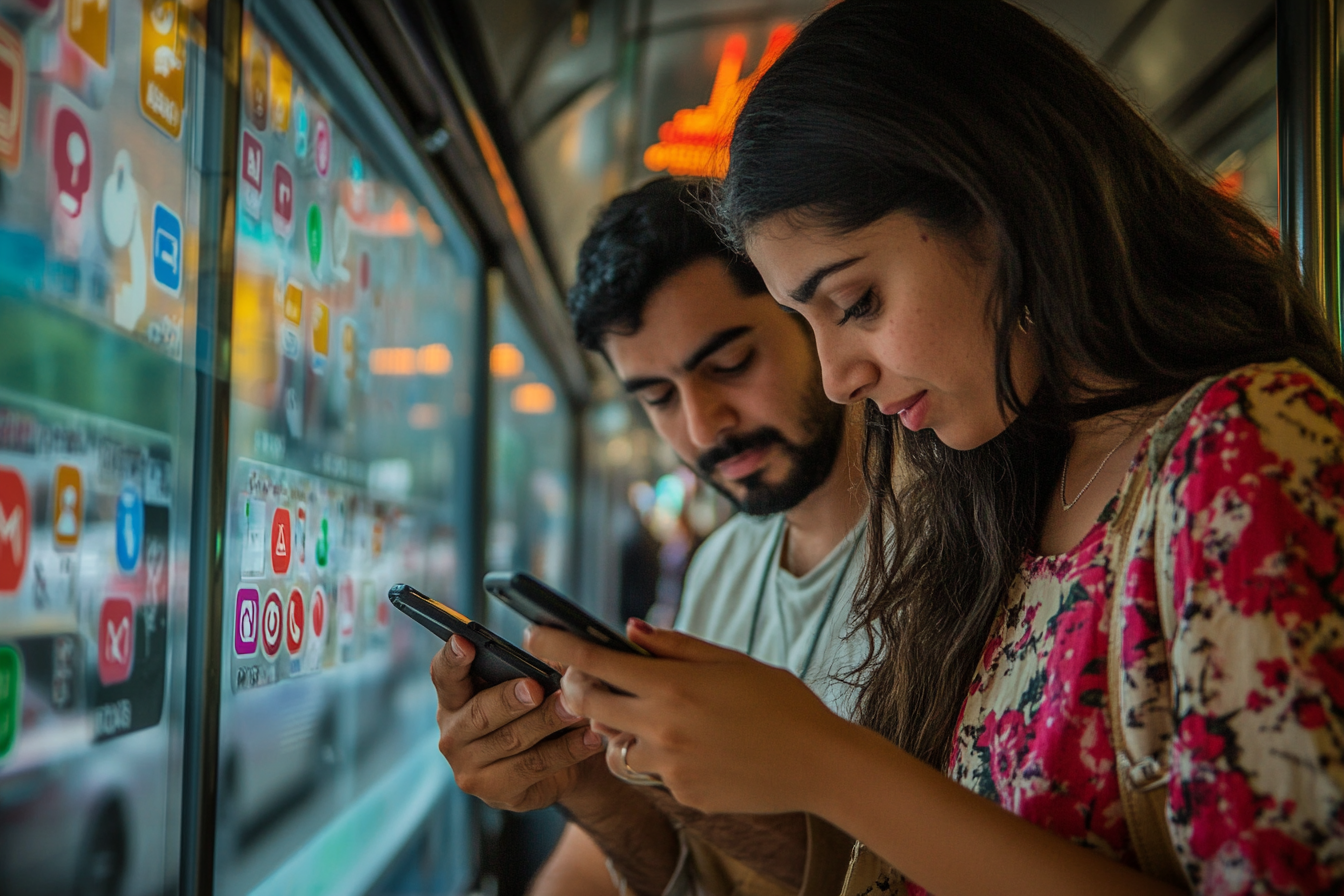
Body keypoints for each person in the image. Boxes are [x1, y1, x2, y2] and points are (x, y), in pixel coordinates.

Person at [526, 2, 1344, 895]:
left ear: (1005, 206)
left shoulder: (1238, 452)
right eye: (808, 321)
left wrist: (823, 761)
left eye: (859, 302)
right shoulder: (1001, 484)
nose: (839, 378)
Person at [429, 177, 868, 896]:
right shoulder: (722, 565)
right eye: (658, 398)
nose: (703, 427)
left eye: (730, 365)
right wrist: (586, 783)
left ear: (807, 311)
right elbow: (706, 875)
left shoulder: (956, 543)